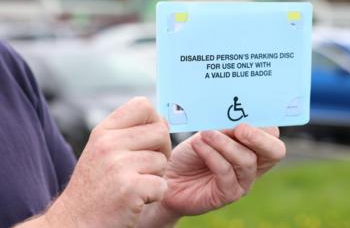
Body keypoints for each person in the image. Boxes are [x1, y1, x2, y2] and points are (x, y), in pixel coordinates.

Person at [0, 41, 286, 228]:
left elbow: (79, 209)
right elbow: (72, 216)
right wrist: (68, 220)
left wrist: (159, 200)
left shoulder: (8, 66)